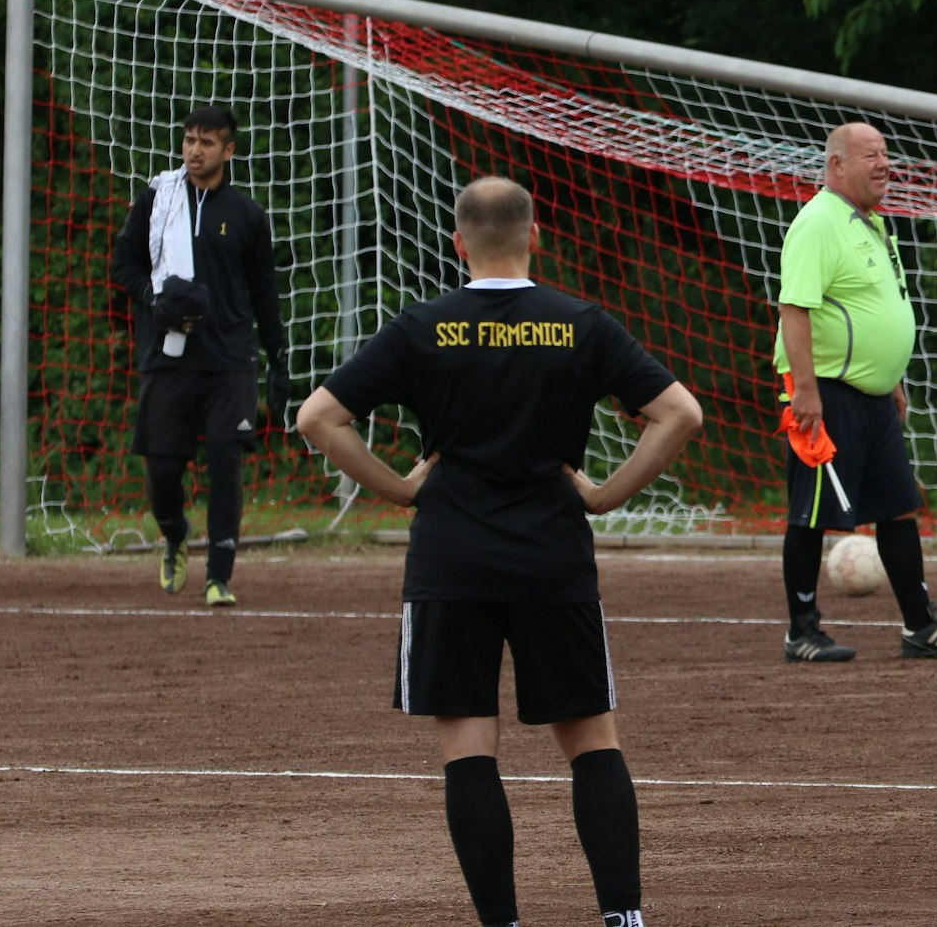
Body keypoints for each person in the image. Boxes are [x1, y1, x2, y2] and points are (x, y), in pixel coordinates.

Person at [296, 176, 701, 927]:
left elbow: (319, 416)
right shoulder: (578, 320)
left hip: (452, 559)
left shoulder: (422, 325)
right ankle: (624, 918)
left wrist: (401, 488)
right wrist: (605, 494)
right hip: (553, 555)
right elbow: (680, 413)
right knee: (590, 739)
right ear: (535, 237)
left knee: (469, 747)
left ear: (459, 243)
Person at [773, 121, 937, 663]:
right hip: (826, 393)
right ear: (837, 165)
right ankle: (802, 632)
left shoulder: (870, 224)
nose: (884, 164)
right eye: (870, 155)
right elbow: (795, 308)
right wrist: (806, 391)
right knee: (811, 512)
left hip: (871, 397)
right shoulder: (818, 223)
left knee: (897, 508)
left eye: (886, 155)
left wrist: (891, 378)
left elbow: (873, 309)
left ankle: (921, 627)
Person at [110, 106, 288, 608]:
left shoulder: (248, 216)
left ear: (228, 151)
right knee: (163, 471)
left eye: (207, 142)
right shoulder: (157, 199)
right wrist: (153, 296)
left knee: (226, 463)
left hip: (230, 361)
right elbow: (123, 263)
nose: (194, 150)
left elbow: (264, 294)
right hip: (168, 357)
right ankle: (173, 534)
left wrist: (279, 360)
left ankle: (218, 577)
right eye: (189, 139)